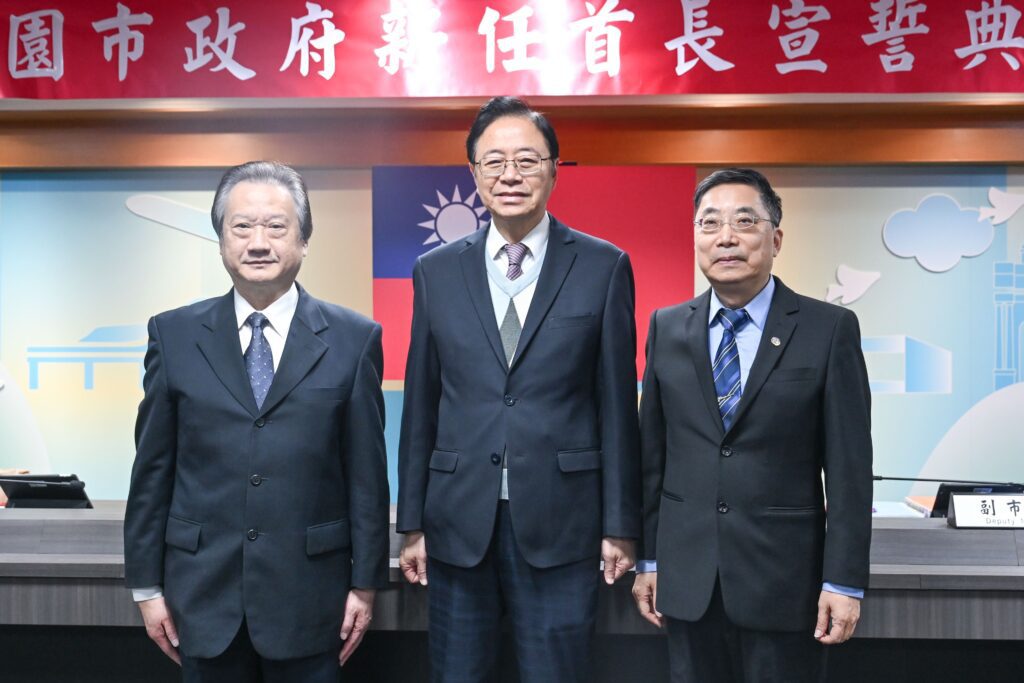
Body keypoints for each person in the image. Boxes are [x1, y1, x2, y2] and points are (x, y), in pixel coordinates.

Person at [396, 96, 641, 682]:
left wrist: (620, 524)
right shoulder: (436, 270)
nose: (510, 174)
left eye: (527, 160)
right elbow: (422, 403)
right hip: (457, 523)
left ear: (554, 170)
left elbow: (616, 405)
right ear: (474, 172)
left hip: (564, 521)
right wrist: (411, 522)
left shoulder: (603, 266)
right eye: (495, 161)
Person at [124, 161, 389, 682]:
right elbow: (152, 469)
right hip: (201, 594)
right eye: (242, 227)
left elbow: (366, 476)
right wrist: (146, 587)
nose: (258, 242)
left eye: (276, 226)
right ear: (221, 240)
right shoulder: (174, 336)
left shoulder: (354, 339)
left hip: (312, 596)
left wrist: (365, 583)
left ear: (304, 240)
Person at [632, 168, 872, 682]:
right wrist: (648, 560)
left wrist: (844, 581)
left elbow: (850, 471)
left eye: (744, 221)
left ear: (776, 239)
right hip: (688, 580)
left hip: (784, 582)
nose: (726, 237)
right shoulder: (666, 327)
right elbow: (651, 458)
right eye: (709, 223)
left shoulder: (828, 329)